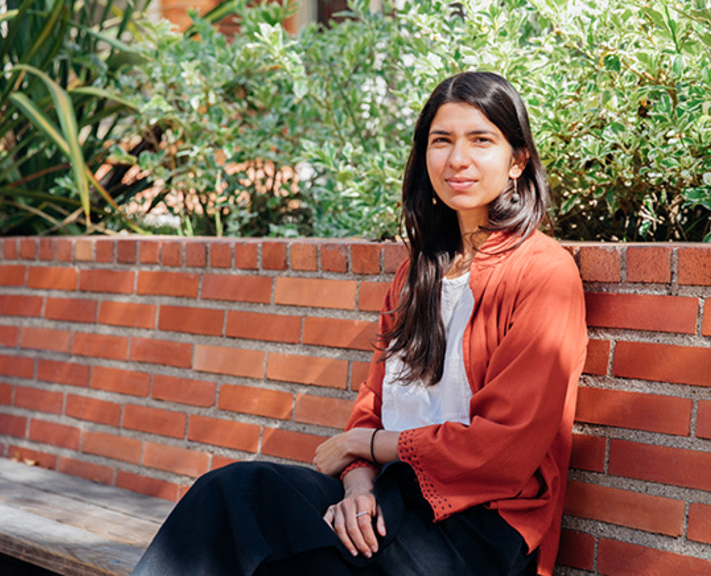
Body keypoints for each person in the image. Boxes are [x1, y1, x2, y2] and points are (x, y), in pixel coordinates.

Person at [130, 71, 587, 576]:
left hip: (475, 533)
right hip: (392, 505)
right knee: (231, 493)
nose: (458, 159)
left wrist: (365, 448)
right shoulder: (418, 273)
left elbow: (503, 449)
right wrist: (358, 485)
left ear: (518, 160)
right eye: (442, 141)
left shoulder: (543, 272)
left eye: (481, 140)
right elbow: (373, 406)